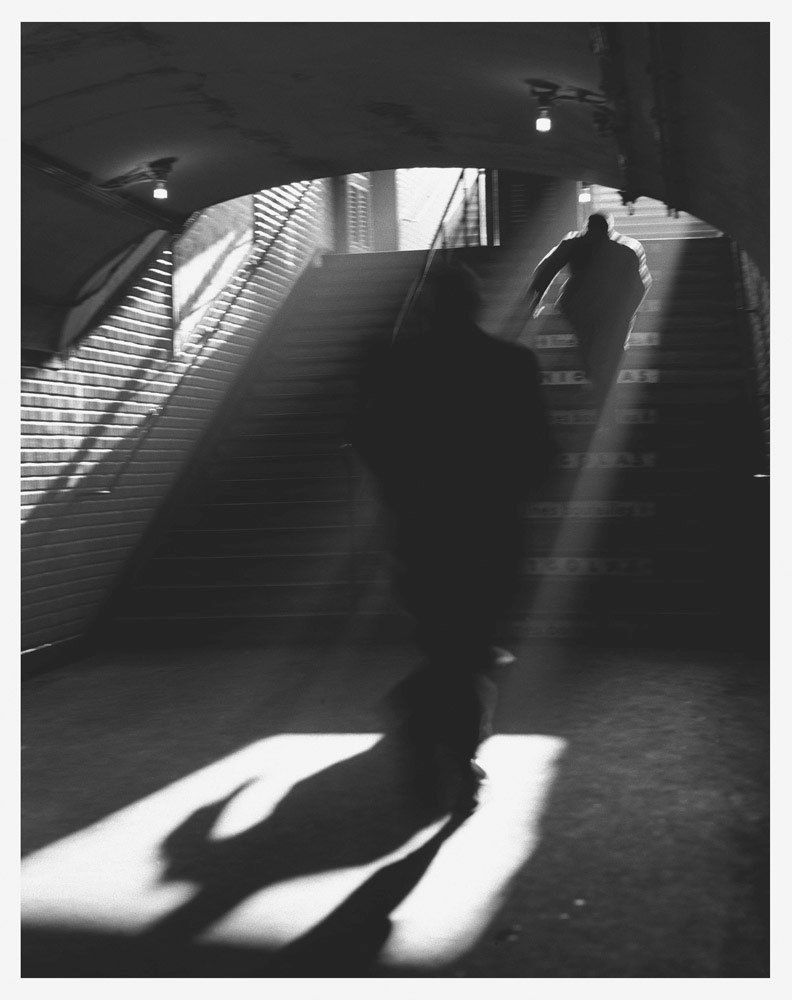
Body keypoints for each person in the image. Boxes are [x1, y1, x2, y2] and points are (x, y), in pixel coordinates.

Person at [351, 261, 554, 813]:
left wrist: (402, 494)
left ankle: (428, 731)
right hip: (491, 526)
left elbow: (369, 437)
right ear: (476, 303)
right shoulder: (512, 364)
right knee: (472, 640)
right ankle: (447, 746)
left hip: (424, 527)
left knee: (445, 638)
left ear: (428, 306)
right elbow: (540, 449)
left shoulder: (399, 365)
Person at [526, 212, 652, 406]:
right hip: (611, 310)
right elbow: (641, 285)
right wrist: (627, 314)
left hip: (580, 308)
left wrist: (535, 300)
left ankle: (596, 387)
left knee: (588, 346)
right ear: (608, 230)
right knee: (608, 349)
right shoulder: (625, 251)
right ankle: (603, 391)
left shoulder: (575, 244)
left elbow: (547, 268)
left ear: (587, 226)